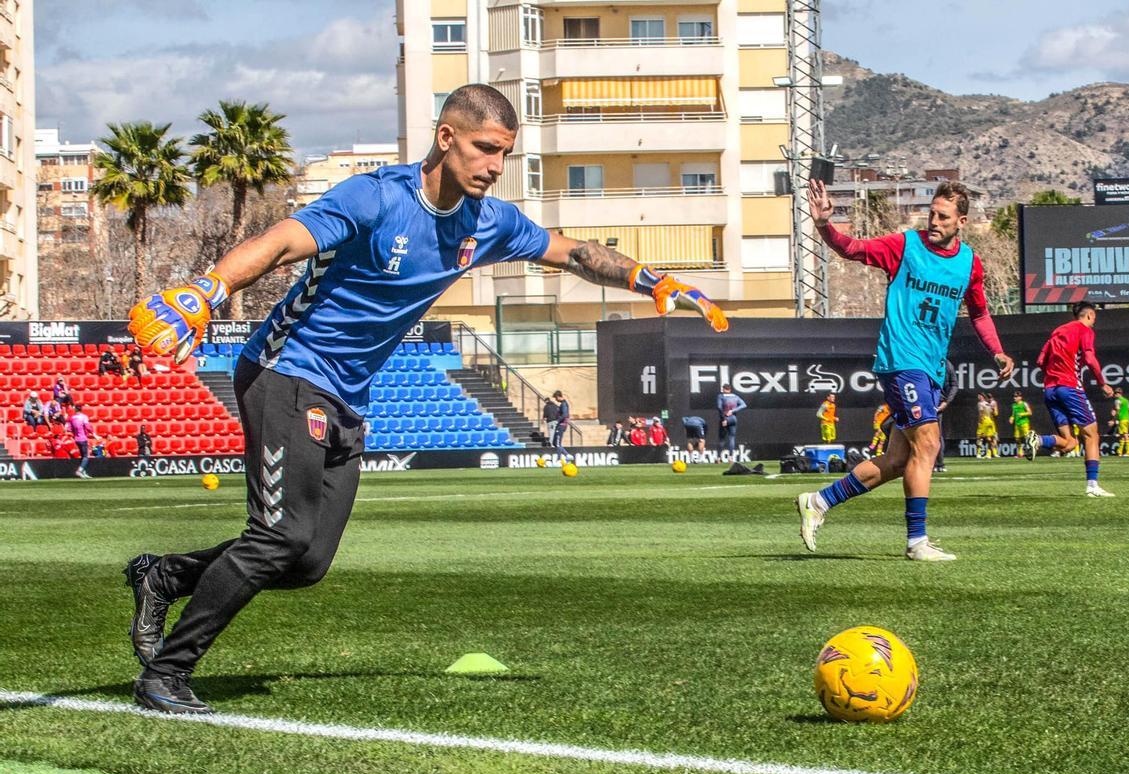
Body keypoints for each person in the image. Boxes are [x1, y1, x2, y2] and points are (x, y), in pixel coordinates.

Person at [122, 84, 730, 715]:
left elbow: (573, 252)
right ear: (447, 138)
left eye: (504, 155)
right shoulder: (376, 197)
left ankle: (164, 576)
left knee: (306, 563)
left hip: (347, 398)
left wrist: (647, 278)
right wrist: (207, 289)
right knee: (278, 537)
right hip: (286, 371)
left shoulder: (488, 221)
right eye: (484, 149)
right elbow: (280, 241)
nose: (494, 166)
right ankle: (166, 674)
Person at [796, 179, 1014, 561]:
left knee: (899, 460)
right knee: (929, 444)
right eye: (931, 212)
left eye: (942, 216)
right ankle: (917, 542)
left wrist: (996, 352)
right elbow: (853, 249)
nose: (933, 220)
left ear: (961, 221)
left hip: (929, 368)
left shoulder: (969, 263)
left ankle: (818, 501)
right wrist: (824, 225)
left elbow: (979, 312)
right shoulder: (905, 245)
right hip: (901, 361)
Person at [1027, 301, 1115, 496]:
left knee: (1069, 443)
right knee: (1092, 435)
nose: (1093, 323)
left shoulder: (1058, 331)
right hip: (1069, 386)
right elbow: (1090, 359)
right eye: (1094, 319)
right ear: (1090, 316)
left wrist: (1053, 374)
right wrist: (1102, 383)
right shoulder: (1084, 330)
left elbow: (1041, 361)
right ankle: (1092, 486)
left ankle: (1038, 440)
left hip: (1050, 389)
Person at [933, 359, 958, 473]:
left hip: (937, 403)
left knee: (936, 435)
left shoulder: (947, 364)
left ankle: (939, 463)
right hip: (923, 401)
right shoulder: (924, 359)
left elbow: (954, 385)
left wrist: (946, 402)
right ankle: (932, 464)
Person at [716, 383, 746, 457]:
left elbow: (719, 407)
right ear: (730, 389)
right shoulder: (735, 396)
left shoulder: (721, 396)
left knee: (722, 439)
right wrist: (733, 411)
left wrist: (723, 419)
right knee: (731, 437)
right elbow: (744, 405)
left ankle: (718, 457)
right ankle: (731, 457)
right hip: (733, 418)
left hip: (725, 417)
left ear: (723, 389)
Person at [67, 403, 94, 479]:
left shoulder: (72, 418)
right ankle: (80, 470)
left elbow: (69, 429)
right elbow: (88, 427)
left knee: (82, 456)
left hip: (76, 439)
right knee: (85, 456)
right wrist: (94, 434)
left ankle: (83, 472)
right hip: (83, 438)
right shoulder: (84, 417)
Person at [1009, 390, 1033, 459]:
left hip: (1024, 423)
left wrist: (1022, 414)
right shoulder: (1014, 405)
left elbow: (1030, 412)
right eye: (1014, 396)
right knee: (1017, 439)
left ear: (1020, 397)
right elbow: (1013, 414)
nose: (1014, 398)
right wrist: (1011, 418)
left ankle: (1030, 451)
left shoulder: (1024, 404)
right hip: (1017, 424)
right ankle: (1020, 453)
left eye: (1016, 396)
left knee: (1027, 438)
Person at [975, 393, 998, 459]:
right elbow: (993, 413)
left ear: (982, 397)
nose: (978, 397)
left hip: (984, 421)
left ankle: (979, 454)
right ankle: (989, 454)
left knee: (979, 437)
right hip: (990, 421)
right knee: (989, 438)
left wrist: (980, 422)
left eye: (979, 395)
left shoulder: (980, 403)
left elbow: (981, 413)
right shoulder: (988, 404)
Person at [551, 390, 572, 462]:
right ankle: (567, 455)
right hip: (560, 425)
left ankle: (559, 460)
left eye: (556, 398)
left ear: (558, 396)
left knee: (557, 443)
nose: (556, 400)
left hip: (561, 425)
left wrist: (558, 420)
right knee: (554, 442)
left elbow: (565, 415)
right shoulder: (562, 404)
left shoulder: (564, 404)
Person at [1112, 387, 1129, 457]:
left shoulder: (1117, 401)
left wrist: (1114, 419)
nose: (1114, 394)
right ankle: (1119, 451)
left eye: (1115, 393)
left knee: (1125, 435)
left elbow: (1117, 410)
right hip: (1127, 419)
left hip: (1122, 419)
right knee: (1122, 435)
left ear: (1119, 393)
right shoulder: (1126, 400)